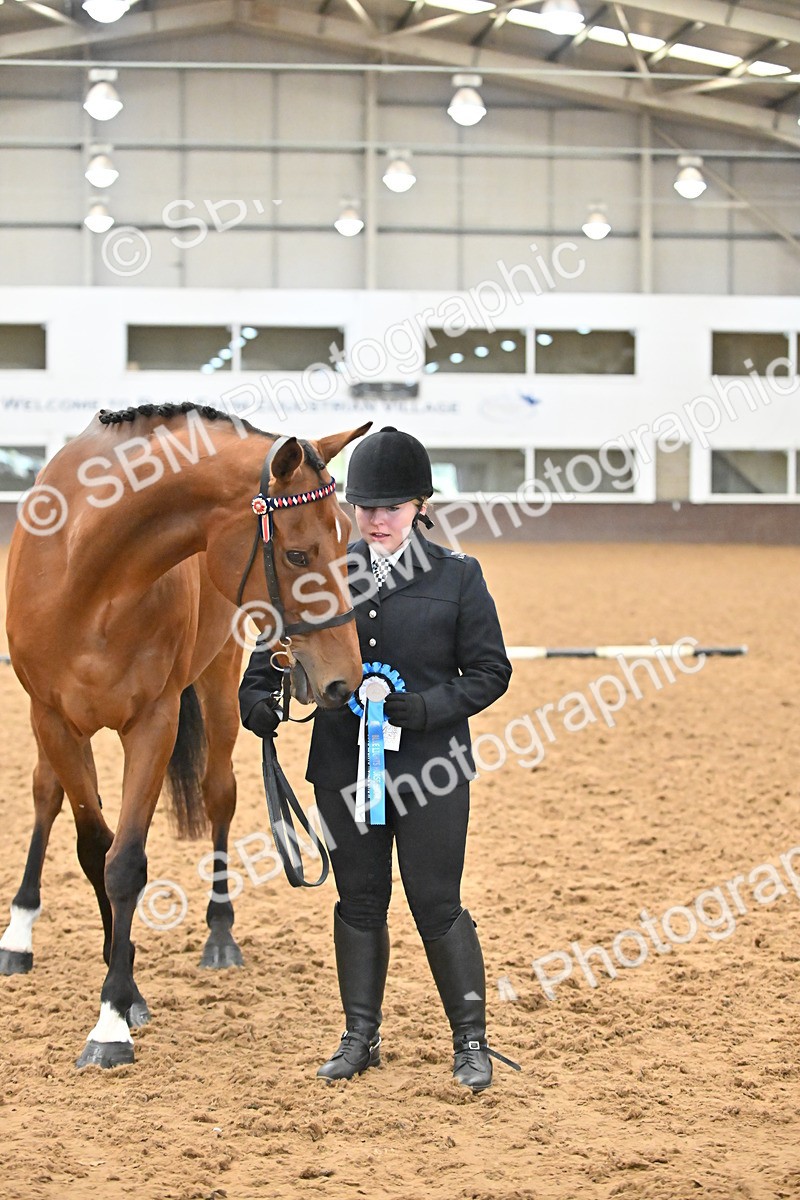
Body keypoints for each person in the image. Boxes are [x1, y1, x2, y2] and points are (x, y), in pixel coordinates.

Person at [239, 426, 514, 1091]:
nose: (376, 519)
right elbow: (271, 651)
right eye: (365, 507)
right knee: (358, 902)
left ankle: (471, 1041)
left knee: (435, 902)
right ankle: (360, 1035)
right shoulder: (326, 571)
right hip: (343, 767)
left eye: (390, 507)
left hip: (431, 769)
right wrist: (257, 697)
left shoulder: (459, 576)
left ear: (421, 504)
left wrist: (422, 709)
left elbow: (490, 672)